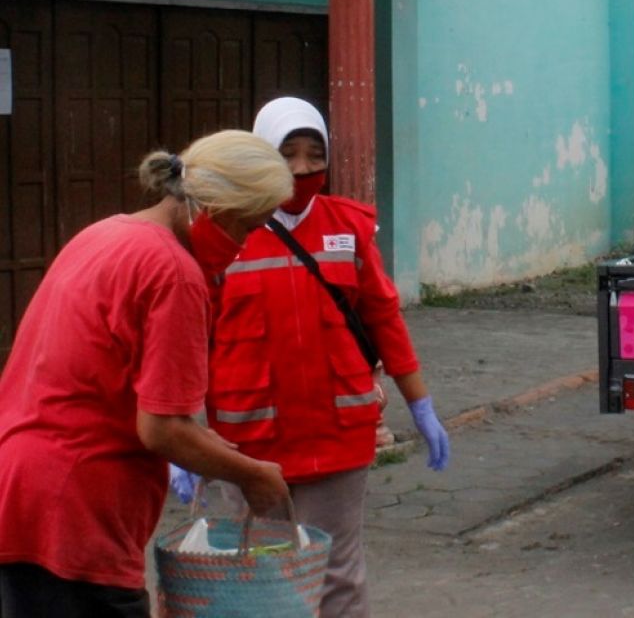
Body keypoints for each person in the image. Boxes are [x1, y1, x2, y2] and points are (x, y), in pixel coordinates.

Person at [0, 130, 295, 618]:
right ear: (216, 208)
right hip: (76, 505)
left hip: (23, 487)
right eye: (247, 228)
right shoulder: (174, 273)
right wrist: (254, 476)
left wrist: (210, 448)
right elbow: (160, 428)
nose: (242, 247)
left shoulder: (107, 232)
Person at [198, 96, 450, 618]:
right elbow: (191, 334)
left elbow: (384, 317)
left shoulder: (349, 227)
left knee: (337, 574)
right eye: (287, 153)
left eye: (315, 154)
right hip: (248, 442)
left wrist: (419, 403)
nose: (302, 169)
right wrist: (186, 434)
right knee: (262, 574)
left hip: (337, 436)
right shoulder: (226, 231)